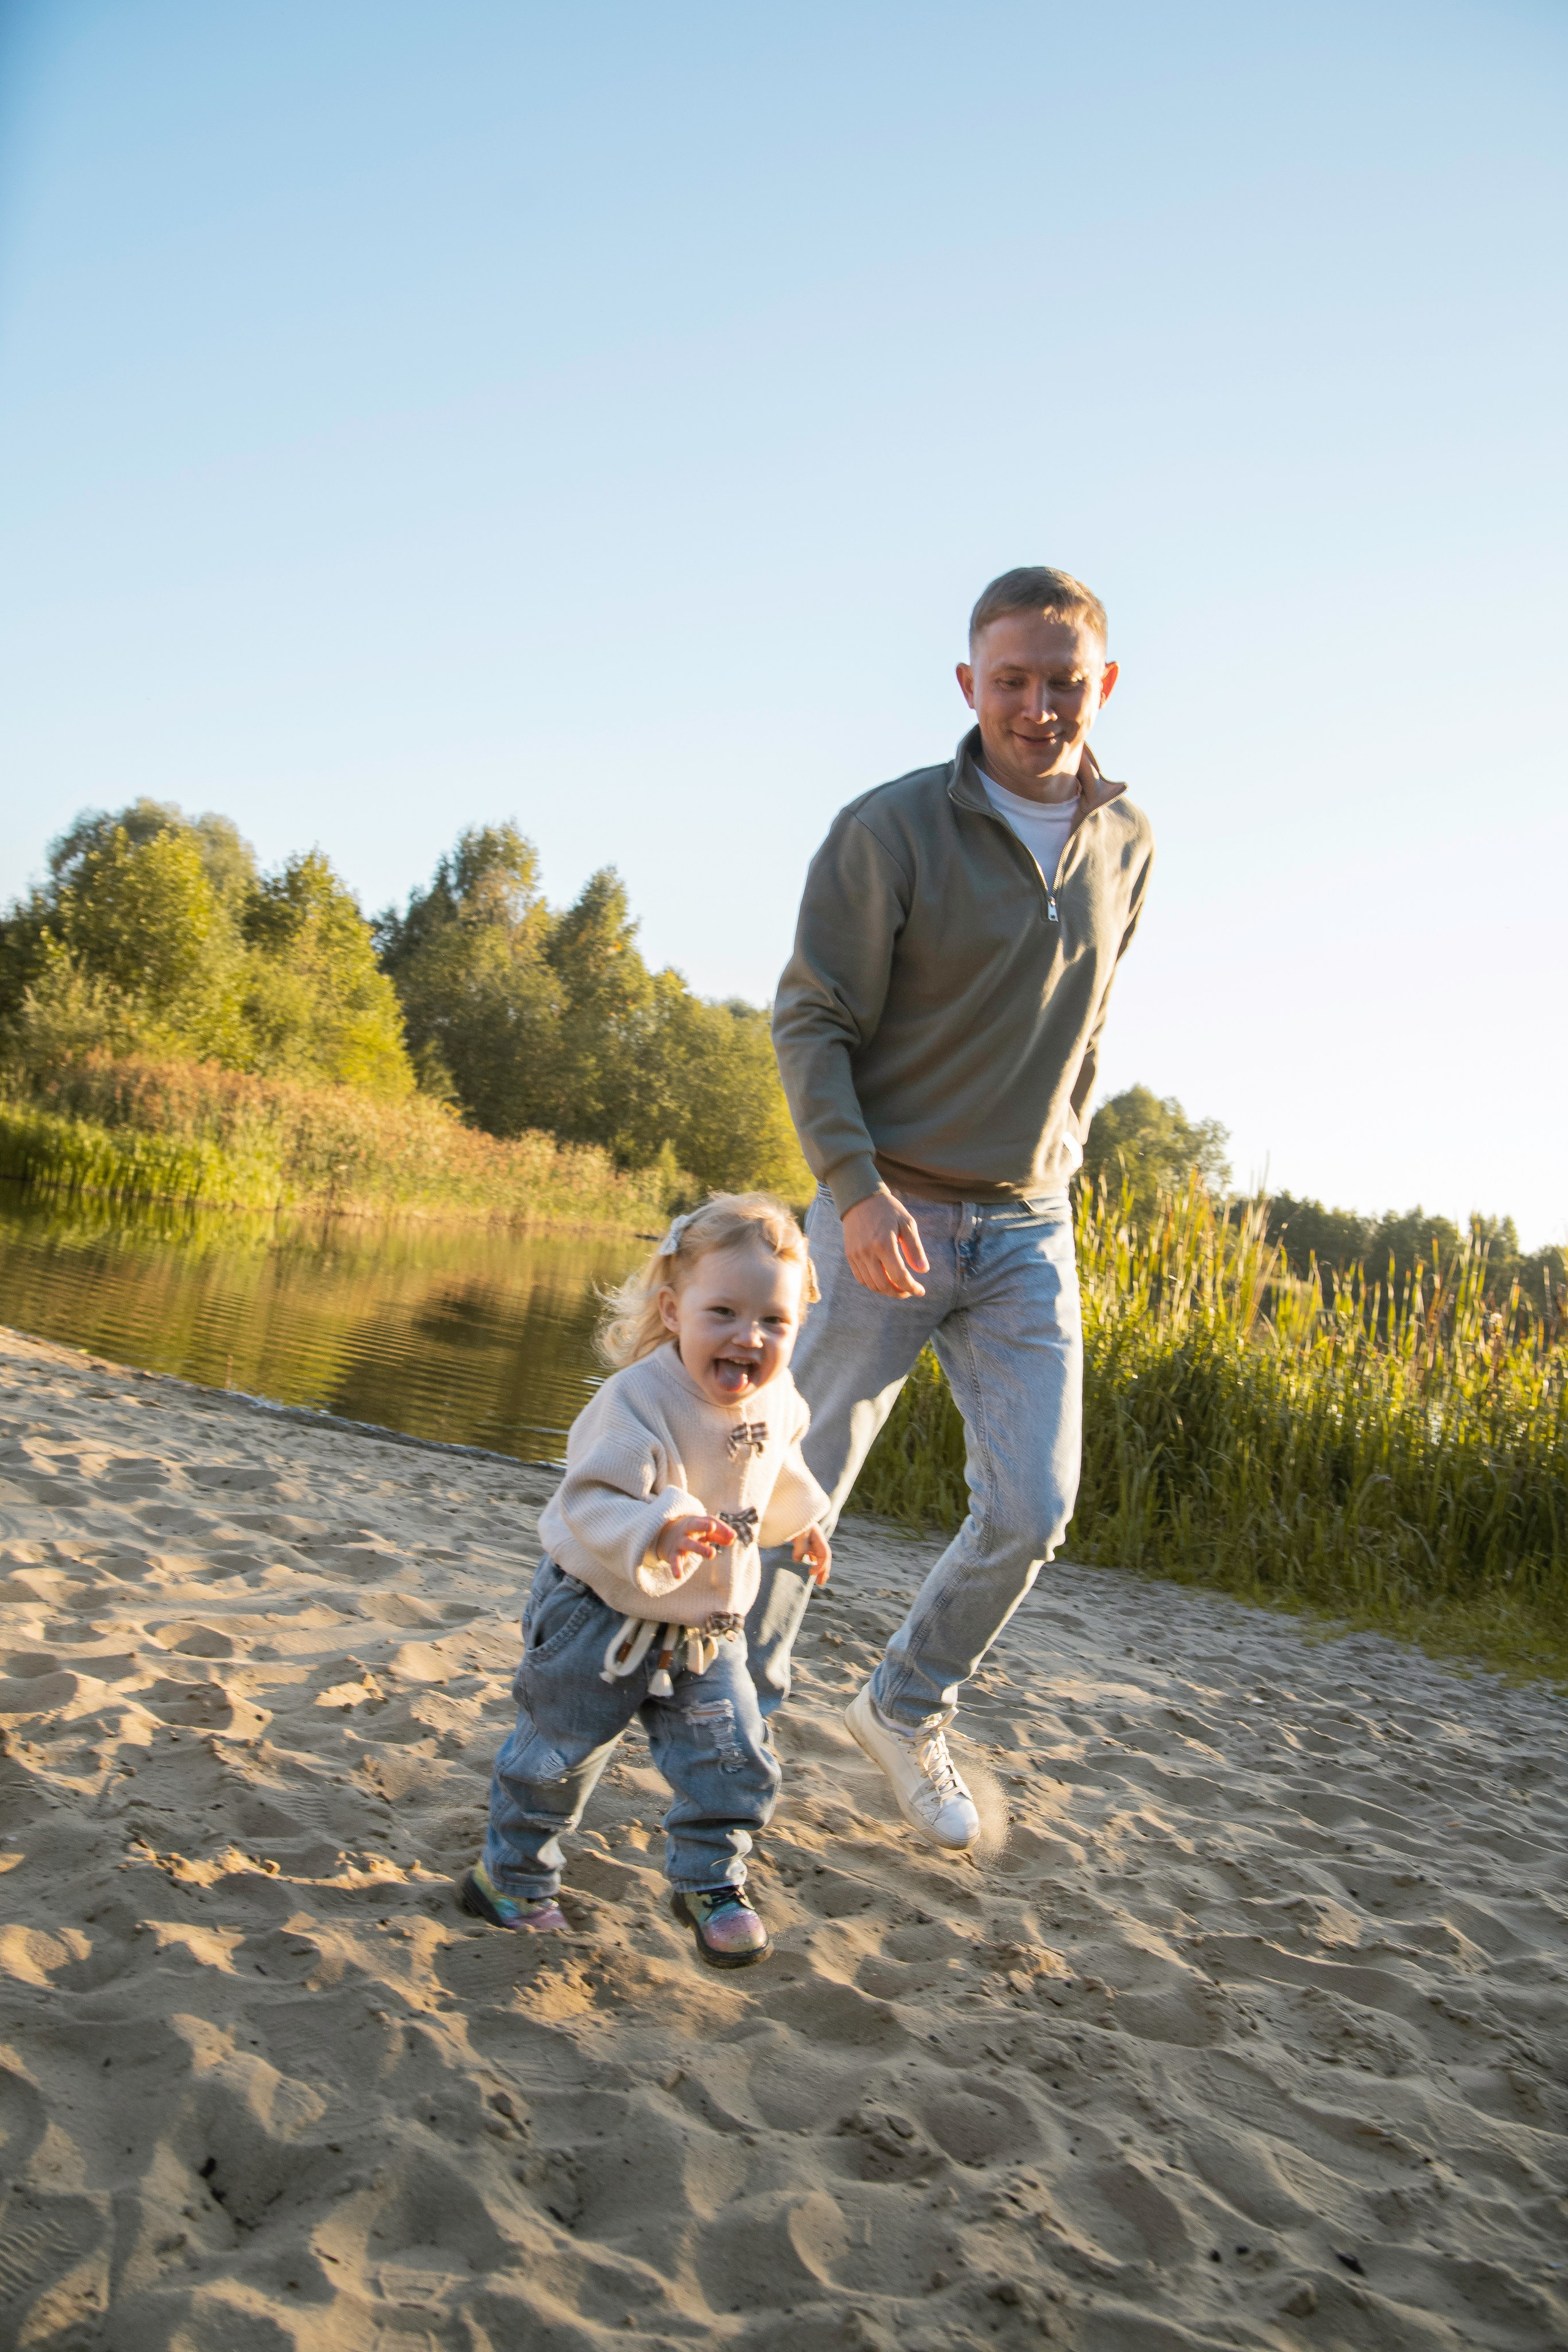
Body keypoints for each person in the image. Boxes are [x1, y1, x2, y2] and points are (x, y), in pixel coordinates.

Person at [756, 565, 1154, 1853]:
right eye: (1010, 682)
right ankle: (735, 1724)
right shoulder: (888, 830)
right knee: (790, 1493)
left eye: (1060, 682)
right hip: (886, 1215)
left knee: (1032, 1509)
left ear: (1100, 685)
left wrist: (1056, 1166)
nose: (1037, 707)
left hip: (1027, 1229)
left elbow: (1086, 1032)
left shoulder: (1131, 841)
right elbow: (810, 1018)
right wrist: (856, 1192)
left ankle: (900, 1706)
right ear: (967, 687)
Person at [461, 1193, 831, 1968]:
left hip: (709, 1628)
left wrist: (804, 1525)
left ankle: (710, 1882)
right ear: (673, 1308)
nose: (748, 1337)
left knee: (733, 1754)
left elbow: (778, 1472)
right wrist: (657, 1527)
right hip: (599, 1614)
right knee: (556, 1757)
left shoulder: (782, 1399)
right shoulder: (634, 1400)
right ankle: (512, 1879)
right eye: (723, 1312)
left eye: (774, 1322)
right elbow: (588, 1497)